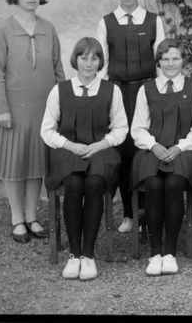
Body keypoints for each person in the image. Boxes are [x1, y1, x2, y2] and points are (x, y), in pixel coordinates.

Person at [0, 0, 65, 244]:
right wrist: (2, 108)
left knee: (36, 164)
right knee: (14, 164)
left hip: (42, 108)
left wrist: (61, 105)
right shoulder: (3, 30)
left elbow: (58, 70)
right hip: (14, 109)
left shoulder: (48, 28)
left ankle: (32, 216)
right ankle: (17, 218)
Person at [41, 38, 128, 281]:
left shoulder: (112, 90)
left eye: (94, 58)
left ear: (100, 61)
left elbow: (121, 129)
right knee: (74, 184)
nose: (89, 63)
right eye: (83, 57)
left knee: (94, 183)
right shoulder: (60, 90)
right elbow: (47, 130)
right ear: (76, 60)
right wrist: (69, 145)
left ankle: (88, 255)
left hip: (100, 149)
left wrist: (99, 145)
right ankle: (74, 255)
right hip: (68, 150)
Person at [130, 39, 192, 276]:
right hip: (152, 151)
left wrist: (180, 147)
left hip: (184, 152)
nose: (171, 63)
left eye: (175, 58)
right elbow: (138, 128)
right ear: (158, 63)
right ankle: (155, 253)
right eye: (165, 59)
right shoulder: (146, 89)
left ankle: (170, 252)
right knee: (154, 184)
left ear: (183, 61)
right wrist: (153, 146)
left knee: (174, 183)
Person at [95, 0, 165, 234]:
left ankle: (148, 211)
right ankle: (128, 214)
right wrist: (104, 95)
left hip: (147, 91)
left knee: (146, 150)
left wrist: (159, 92)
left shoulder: (152, 20)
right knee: (124, 153)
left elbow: (161, 60)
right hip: (119, 93)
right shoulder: (107, 22)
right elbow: (102, 63)